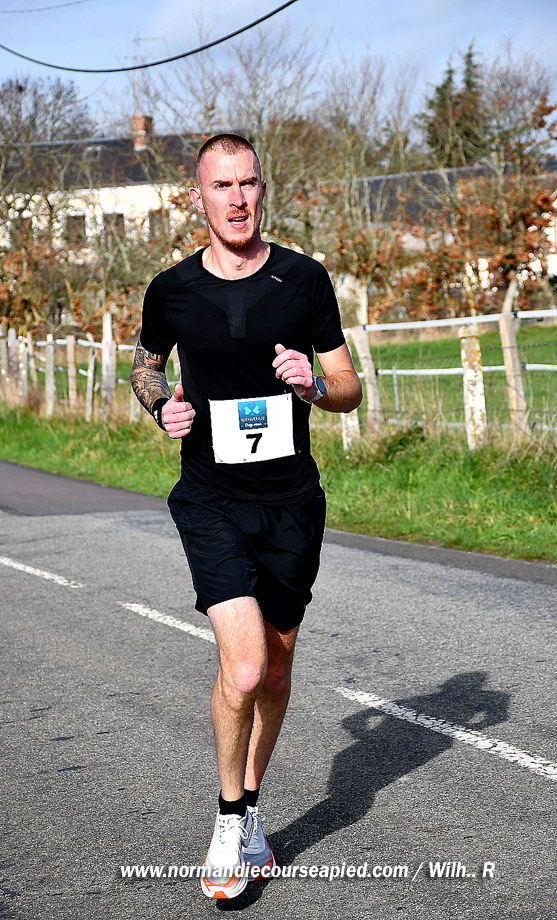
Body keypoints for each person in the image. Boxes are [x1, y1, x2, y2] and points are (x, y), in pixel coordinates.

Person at [130, 133, 362, 900]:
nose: (236, 199)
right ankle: (229, 819)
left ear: (262, 190)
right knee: (246, 667)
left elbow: (347, 387)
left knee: (279, 668)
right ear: (196, 197)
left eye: (248, 183)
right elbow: (145, 366)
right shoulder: (170, 289)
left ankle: (252, 806)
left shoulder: (304, 280)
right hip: (210, 499)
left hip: (291, 503)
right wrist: (160, 406)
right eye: (221, 185)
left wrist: (312, 385)